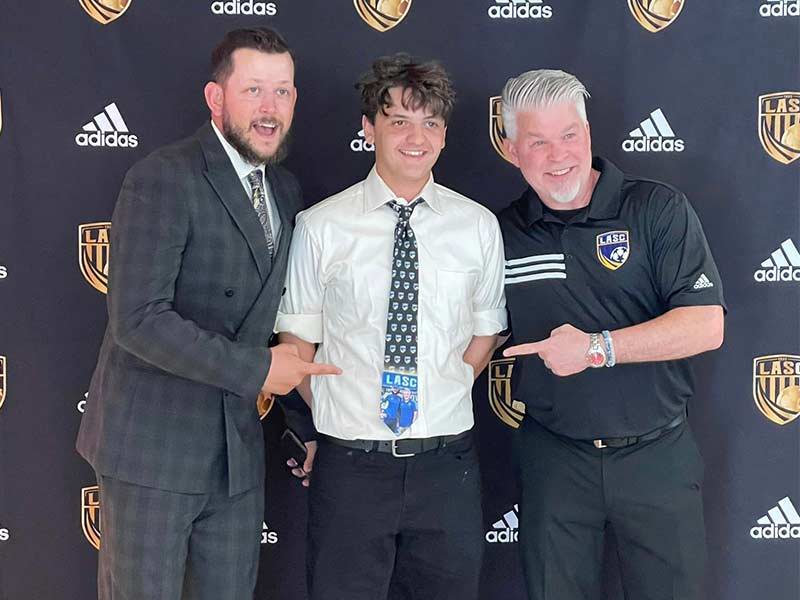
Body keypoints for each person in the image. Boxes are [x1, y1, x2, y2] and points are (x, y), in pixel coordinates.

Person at [75, 27, 339, 600]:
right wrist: (257, 372)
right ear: (216, 99)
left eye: (283, 92)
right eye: (254, 91)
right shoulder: (163, 177)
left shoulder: (288, 192)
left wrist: (301, 423)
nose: (270, 110)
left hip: (236, 457)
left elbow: (278, 325)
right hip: (153, 453)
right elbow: (138, 320)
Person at [275, 54, 507, 600]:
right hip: (350, 467)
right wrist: (337, 407)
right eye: (399, 120)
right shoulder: (320, 226)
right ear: (369, 128)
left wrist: (446, 388)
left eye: (429, 123)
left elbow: (486, 331)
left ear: (445, 136)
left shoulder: (477, 226)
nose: (415, 137)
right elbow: (295, 341)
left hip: (446, 468)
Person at [496, 69, 726, 600]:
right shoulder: (498, 233)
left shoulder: (656, 208)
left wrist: (597, 349)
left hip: (657, 455)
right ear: (511, 149)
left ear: (589, 134)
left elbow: (706, 324)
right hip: (555, 460)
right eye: (538, 142)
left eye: (569, 135)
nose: (559, 156)